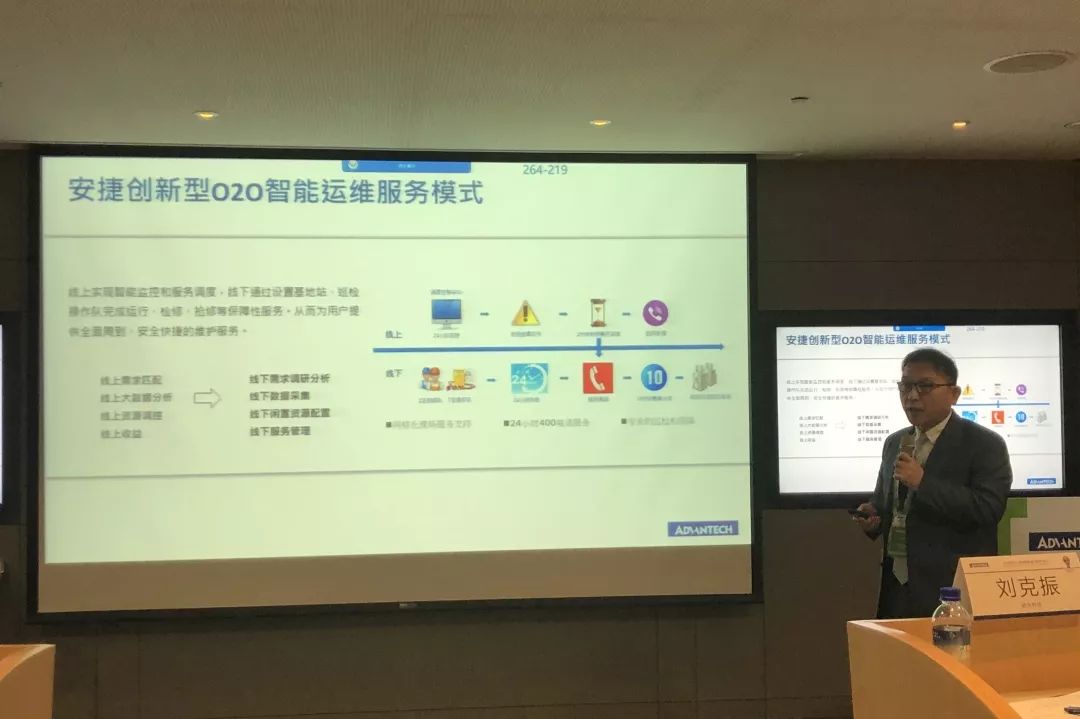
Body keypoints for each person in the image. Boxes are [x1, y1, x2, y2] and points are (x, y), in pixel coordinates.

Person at [853, 348, 1012, 618]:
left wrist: (923, 482)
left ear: (954, 394)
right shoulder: (895, 442)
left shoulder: (984, 444)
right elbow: (886, 503)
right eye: (905, 386)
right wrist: (874, 518)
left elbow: (988, 509)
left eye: (925, 386)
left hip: (951, 590)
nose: (912, 396)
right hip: (897, 585)